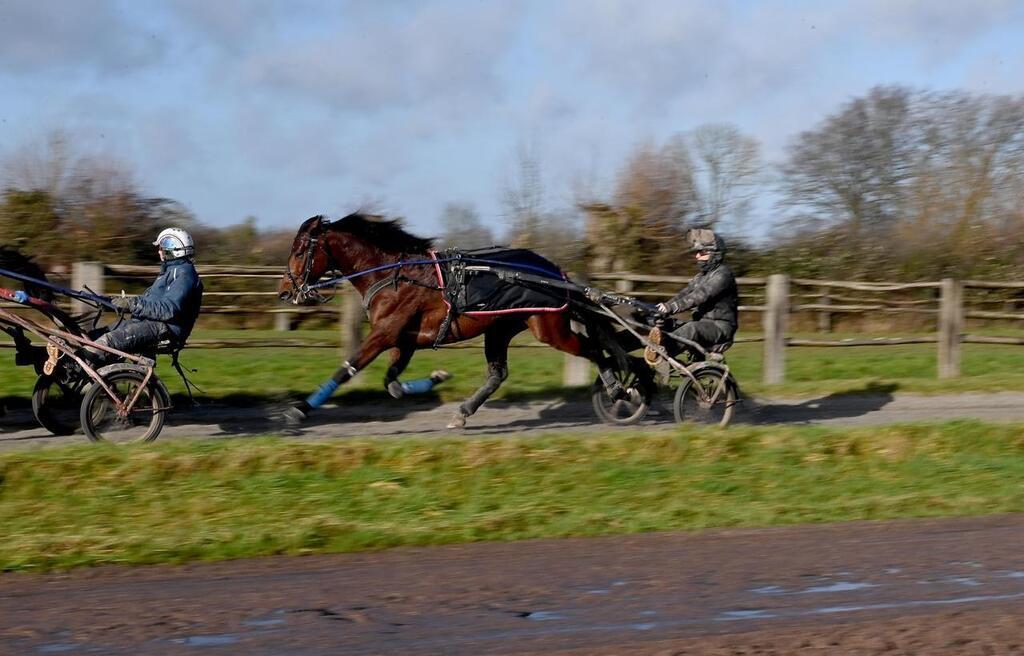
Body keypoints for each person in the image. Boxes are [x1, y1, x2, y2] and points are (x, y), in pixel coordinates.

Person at [88, 228, 204, 363]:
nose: (159, 251)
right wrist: (112, 303)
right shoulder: (170, 271)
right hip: (149, 323)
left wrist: (132, 304)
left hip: (165, 329)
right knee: (94, 336)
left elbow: (167, 309)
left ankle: (69, 371)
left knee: (107, 341)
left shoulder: (184, 274)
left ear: (173, 249)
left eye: (162, 247)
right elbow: (150, 301)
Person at [652, 228, 738, 358]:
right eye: (697, 252)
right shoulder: (700, 276)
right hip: (703, 323)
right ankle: (619, 351)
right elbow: (685, 294)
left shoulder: (723, 275)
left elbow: (700, 295)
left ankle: (656, 356)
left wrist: (672, 308)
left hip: (720, 327)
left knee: (691, 329)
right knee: (665, 323)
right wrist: (664, 307)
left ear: (715, 254)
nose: (697, 256)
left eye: (702, 252)